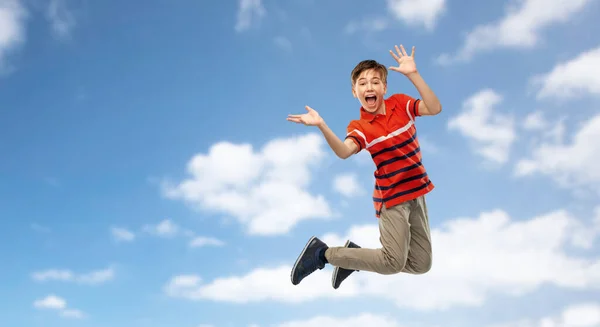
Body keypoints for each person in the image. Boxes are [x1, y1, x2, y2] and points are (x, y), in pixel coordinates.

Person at [286, 44, 442, 289]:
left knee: (421, 264)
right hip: (392, 198)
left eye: (376, 81)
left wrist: (413, 75)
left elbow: (434, 108)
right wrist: (321, 125)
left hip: (417, 193)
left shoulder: (401, 104)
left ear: (385, 88)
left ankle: (353, 258)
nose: (369, 87)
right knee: (392, 262)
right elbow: (344, 152)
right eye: (362, 83)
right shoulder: (360, 127)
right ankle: (323, 254)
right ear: (354, 92)